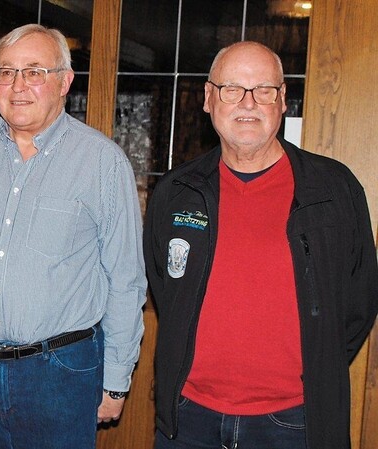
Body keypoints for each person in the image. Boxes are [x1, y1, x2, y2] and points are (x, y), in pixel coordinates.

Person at [144, 41, 378, 449]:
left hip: (295, 422)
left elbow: (359, 302)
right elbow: (166, 289)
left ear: (282, 100)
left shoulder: (333, 190)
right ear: (208, 99)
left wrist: (317, 364)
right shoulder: (176, 192)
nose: (248, 103)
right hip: (188, 419)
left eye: (264, 90)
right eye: (232, 88)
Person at [0, 24, 147, 448]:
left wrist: (117, 381)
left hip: (59, 375)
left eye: (34, 72)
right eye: (5, 72)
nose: (17, 86)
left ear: (65, 81)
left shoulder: (102, 161)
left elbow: (126, 281)